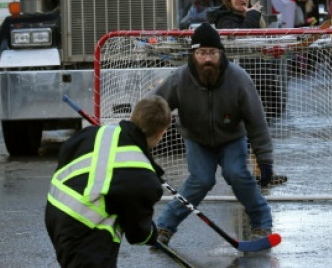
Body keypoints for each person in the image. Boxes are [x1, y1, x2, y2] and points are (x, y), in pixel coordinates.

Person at [151, 23, 275, 246]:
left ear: (221, 53)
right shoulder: (179, 79)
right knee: (201, 180)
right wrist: (136, 140)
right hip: (196, 138)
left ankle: (261, 223)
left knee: (237, 173)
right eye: (201, 53)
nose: (207, 59)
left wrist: (265, 159)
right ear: (193, 54)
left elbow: (257, 122)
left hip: (232, 138)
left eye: (212, 52)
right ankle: (164, 227)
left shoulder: (239, 79)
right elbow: (153, 108)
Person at [45, 95, 172, 268]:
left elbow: (66, 151)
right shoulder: (144, 178)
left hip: (55, 210)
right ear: (162, 133)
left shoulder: (98, 132)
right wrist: (151, 234)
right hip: (83, 229)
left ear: (132, 117)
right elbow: (137, 234)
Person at [207, 0, 287, 185]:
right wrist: (252, 15)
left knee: (261, 125)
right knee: (244, 128)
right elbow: (243, 35)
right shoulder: (226, 19)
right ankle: (246, 172)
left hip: (260, 77)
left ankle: (262, 170)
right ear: (228, 1)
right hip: (240, 81)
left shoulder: (250, 17)